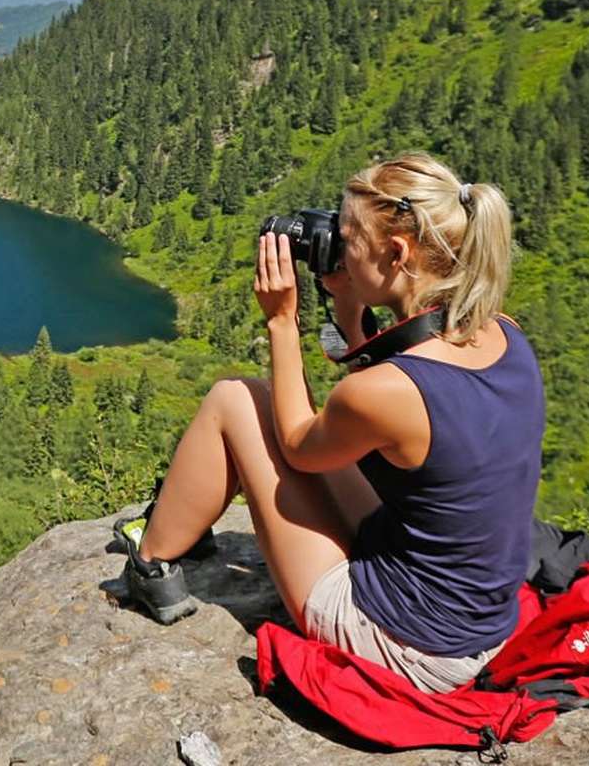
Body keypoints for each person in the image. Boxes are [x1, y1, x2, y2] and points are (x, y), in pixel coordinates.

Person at [113, 152, 545, 693]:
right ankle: (182, 528)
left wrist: (281, 321)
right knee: (275, 409)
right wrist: (348, 308)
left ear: (396, 252)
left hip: (409, 644)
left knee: (237, 399)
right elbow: (392, 404)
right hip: (481, 623)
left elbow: (298, 445)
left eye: (349, 239)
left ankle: (150, 562)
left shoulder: (387, 393)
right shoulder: (504, 333)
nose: (339, 249)